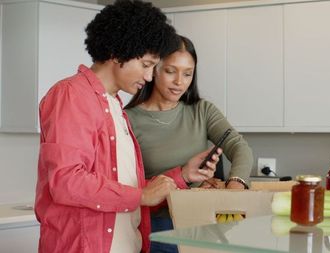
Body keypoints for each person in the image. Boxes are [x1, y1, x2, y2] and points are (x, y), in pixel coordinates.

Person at [34, 1, 220, 253]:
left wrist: (183, 175)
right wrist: (141, 196)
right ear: (118, 53)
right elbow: (66, 182)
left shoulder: (115, 107)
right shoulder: (71, 96)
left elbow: (125, 189)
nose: (148, 76)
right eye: (145, 65)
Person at [125, 35, 254, 253]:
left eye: (187, 73)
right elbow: (127, 190)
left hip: (203, 222)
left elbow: (240, 147)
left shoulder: (202, 110)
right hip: (157, 228)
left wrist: (232, 190)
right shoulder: (128, 120)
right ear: (153, 69)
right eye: (170, 71)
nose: (179, 82)